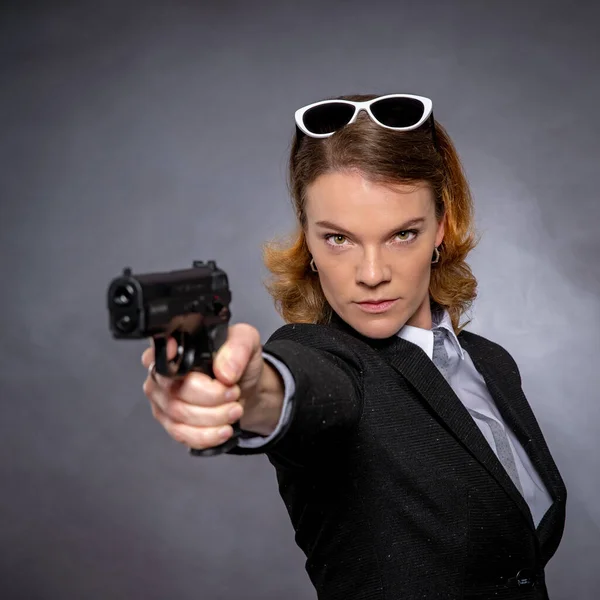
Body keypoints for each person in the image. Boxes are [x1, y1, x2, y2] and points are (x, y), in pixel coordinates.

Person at [141, 94, 567, 599]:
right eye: (339, 239)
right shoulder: (324, 357)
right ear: (308, 241)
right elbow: (297, 388)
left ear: (442, 228)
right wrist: (245, 388)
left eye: (402, 234)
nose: (372, 274)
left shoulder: (491, 363)